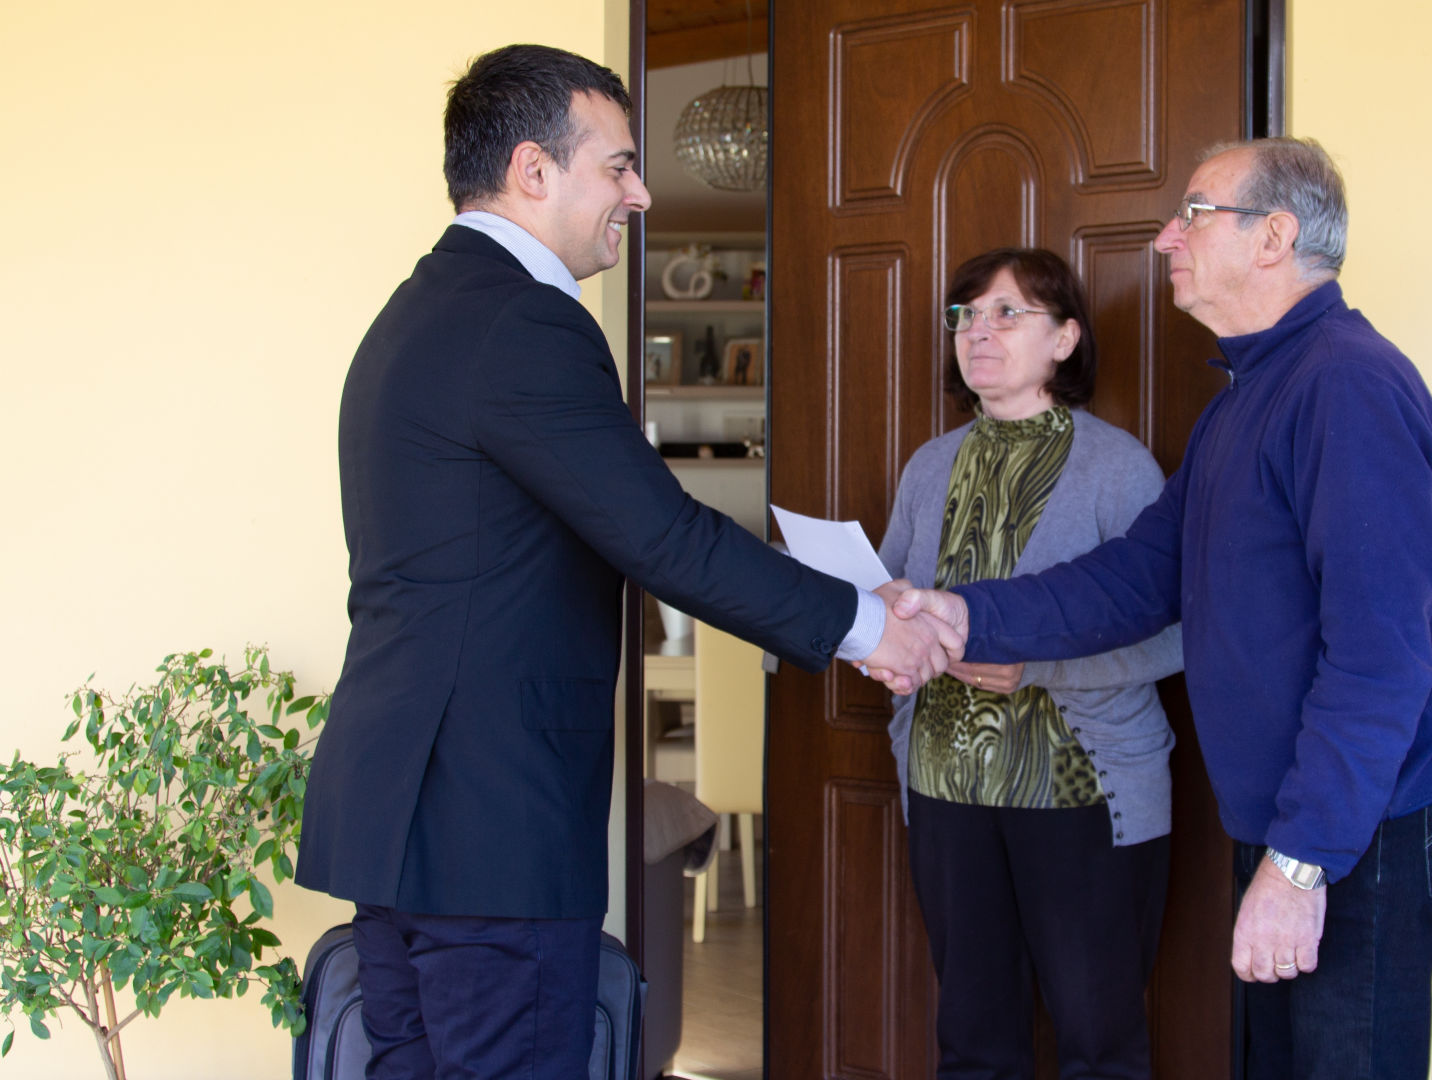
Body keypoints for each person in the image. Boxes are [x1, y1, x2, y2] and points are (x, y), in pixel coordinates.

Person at [295, 44, 957, 1079]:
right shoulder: (525, 321)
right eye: (618, 167)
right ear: (531, 171)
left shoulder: (418, 311)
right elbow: (661, 535)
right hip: (491, 831)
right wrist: (875, 628)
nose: (640, 196)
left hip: (401, 818)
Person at [888, 138, 1432, 1079]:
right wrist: (960, 615)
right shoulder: (1249, 396)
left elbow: (1380, 657)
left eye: (1195, 214)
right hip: (1306, 821)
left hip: (1365, 822)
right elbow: (1136, 576)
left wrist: (1299, 866)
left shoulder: (1345, 386)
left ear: (1273, 237)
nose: (1167, 237)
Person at [877, 248, 1183, 1079]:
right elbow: (889, 596)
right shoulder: (929, 465)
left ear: (1066, 340)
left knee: (1099, 1044)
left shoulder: (1118, 468)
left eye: (1007, 314)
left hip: (1079, 793)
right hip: (946, 790)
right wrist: (886, 646)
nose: (978, 332)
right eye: (965, 316)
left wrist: (1036, 671)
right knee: (973, 1046)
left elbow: (1174, 636)